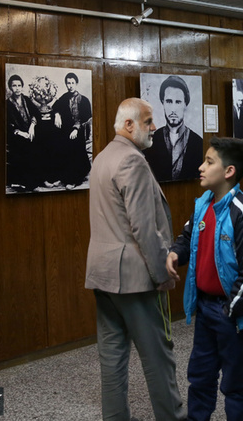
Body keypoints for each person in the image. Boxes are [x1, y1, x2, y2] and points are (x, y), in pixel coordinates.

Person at [85, 98, 186, 421]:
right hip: (134, 278)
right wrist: (163, 275)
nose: (153, 126)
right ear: (128, 125)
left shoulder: (102, 158)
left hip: (102, 276)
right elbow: (145, 227)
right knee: (158, 357)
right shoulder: (133, 161)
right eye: (147, 121)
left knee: (112, 359)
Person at [167, 137, 243, 421]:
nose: (201, 167)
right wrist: (175, 255)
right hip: (205, 309)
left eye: (209, 162)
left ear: (229, 171)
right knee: (200, 376)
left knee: (234, 383)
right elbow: (188, 237)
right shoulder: (203, 205)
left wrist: (231, 311)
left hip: (234, 315)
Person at [144, 75, 203, 182]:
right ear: (163, 103)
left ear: (185, 104)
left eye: (178, 102)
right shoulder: (151, 141)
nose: (173, 110)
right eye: (169, 101)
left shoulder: (198, 143)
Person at [52, 72, 92, 189]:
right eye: (68, 83)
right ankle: (64, 177)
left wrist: (76, 128)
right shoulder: (64, 97)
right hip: (65, 130)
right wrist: (57, 115)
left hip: (79, 131)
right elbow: (55, 107)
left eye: (72, 83)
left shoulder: (83, 100)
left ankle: (75, 179)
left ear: (76, 84)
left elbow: (86, 116)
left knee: (75, 148)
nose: (70, 86)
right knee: (61, 148)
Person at [6, 74, 39, 191]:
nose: (17, 88)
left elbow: (36, 113)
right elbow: (7, 124)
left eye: (19, 85)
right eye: (14, 86)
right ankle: (27, 183)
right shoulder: (8, 104)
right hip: (16, 135)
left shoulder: (26, 99)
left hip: (29, 131)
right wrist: (19, 132)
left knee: (42, 140)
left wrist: (32, 125)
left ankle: (40, 178)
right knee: (23, 147)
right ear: (10, 87)